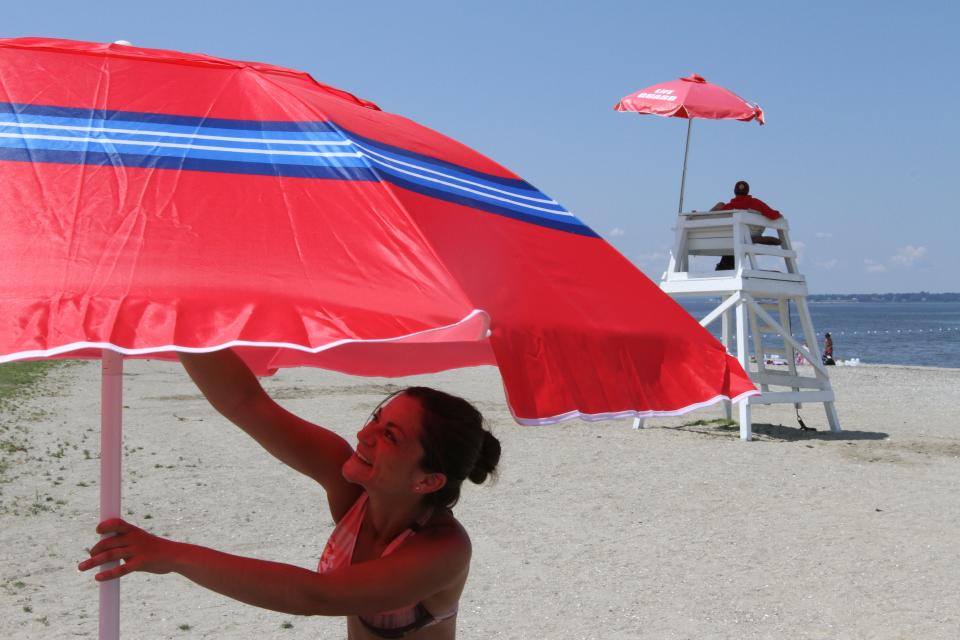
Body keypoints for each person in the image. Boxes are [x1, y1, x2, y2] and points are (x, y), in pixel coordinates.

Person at [79, 349, 501, 639]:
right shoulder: (354, 489)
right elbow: (247, 403)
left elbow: (314, 595)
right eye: (376, 417)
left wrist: (174, 555)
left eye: (389, 435)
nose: (363, 434)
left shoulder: (444, 550)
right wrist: (181, 320)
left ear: (428, 481)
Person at [711, 180, 783, 270]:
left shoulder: (729, 207)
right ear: (748, 191)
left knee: (734, 240)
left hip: (732, 237)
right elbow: (773, 215)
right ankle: (753, 238)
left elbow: (716, 216)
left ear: (734, 191)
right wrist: (779, 214)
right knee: (740, 240)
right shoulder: (757, 203)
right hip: (751, 235)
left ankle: (723, 268)